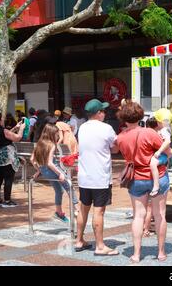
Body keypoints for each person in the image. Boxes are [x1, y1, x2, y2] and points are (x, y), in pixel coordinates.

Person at [115, 100, 172, 263]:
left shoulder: (121, 137)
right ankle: (161, 253)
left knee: (138, 216)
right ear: (140, 116)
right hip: (158, 177)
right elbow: (168, 152)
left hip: (136, 179)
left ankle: (136, 254)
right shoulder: (150, 133)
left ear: (123, 118)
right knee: (159, 215)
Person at [75, 99, 119, 256]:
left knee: (83, 209)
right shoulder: (106, 128)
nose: (105, 113)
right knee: (98, 212)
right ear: (99, 113)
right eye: (103, 111)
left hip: (84, 177)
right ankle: (100, 246)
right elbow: (115, 149)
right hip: (100, 177)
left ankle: (79, 240)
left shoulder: (82, 128)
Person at [30, 123, 79, 222]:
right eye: (56, 133)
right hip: (53, 170)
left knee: (58, 190)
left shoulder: (39, 143)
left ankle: (59, 212)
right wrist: (60, 173)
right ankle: (77, 209)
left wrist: (39, 170)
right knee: (69, 186)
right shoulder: (51, 145)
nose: (57, 135)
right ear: (52, 133)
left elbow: (32, 159)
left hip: (45, 171)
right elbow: (50, 163)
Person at [0, 112, 25, 207]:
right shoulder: (3, 131)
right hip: (6, 157)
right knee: (8, 178)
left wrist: (15, 128)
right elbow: (17, 138)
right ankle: (7, 201)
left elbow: (6, 135)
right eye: (2, 118)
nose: (3, 120)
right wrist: (21, 129)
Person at [146, 108, 172, 197]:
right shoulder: (163, 129)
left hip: (163, 153)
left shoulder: (164, 130)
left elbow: (167, 141)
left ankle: (156, 185)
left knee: (153, 163)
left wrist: (159, 151)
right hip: (164, 153)